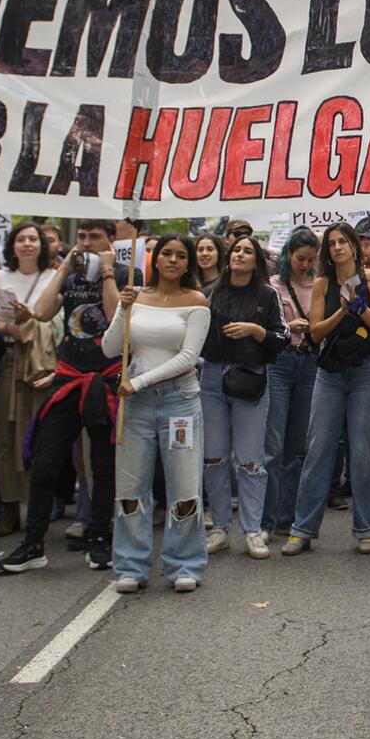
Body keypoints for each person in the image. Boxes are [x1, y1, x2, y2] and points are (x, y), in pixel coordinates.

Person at [0, 220, 124, 575]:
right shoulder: (69, 275)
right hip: (68, 377)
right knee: (45, 462)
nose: (85, 243)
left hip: (105, 381)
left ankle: (100, 538)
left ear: (110, 240)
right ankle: (33, 543)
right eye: (81, 237)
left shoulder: (128, 273)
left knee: (102, 466)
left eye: (94, 237)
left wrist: (109, 272)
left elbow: (116, 318)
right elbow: (40, 312)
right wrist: (65, 266)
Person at [104, 235, 210, 593]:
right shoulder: (135, 297)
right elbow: (109, 347)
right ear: (154, 258)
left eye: (181, 255)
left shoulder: (196, 301)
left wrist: (140, 381)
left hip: (180, 402)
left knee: (184, 485)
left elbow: (188, 358)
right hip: (135, 405)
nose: (173, 260)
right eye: (167, 253)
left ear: (188, 263)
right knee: (131, 487)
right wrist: (122, 307)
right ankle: (131, 566)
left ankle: (185, 563)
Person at [283, 222, 370, 557]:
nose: (337, 248)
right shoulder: (322, 283)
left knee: (363, 451)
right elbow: (315, 333)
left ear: (354, 246)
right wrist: (342, 311)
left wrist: (359, 307)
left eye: (343, 241)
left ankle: (365, 529)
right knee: (318, 450)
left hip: (365, 373)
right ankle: (302, 529)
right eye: (331, 243)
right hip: (329, 374)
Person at [200, 233, 286, 559]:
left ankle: (252, 531)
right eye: (236, 250)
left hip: (250, 378)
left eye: (247, 251)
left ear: (256, 261)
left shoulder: (267, 294)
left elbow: (283, 336)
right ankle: (221, 528)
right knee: (214, 457)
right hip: (211, 378)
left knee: (251, 461)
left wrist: (256, 331)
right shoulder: (209, 294)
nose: (239, 255)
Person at [0, 223, 58, 539]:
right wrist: (7, 327)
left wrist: (28, 323)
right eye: (21, 239)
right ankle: (9, 507)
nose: (27, 244)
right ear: (11, 246)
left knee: (37, 436)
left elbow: (57, 327)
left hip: (38, 364)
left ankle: (39, 506)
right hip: (5, 361)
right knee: (5, 438)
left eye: (33, 239)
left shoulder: (53, 278)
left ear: (42, 245)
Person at [264, 227, 320, 540]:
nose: (305, 265)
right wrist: (289, 326)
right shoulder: (273, 286)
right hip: (280, 362)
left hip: (310, 361)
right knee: (272, 444)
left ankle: (288, 517)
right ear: (288, 255)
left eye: (311, 259)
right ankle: (266, 519)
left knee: (299, 446)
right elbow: (267, 326)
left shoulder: (319, 285)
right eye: (300, 258)